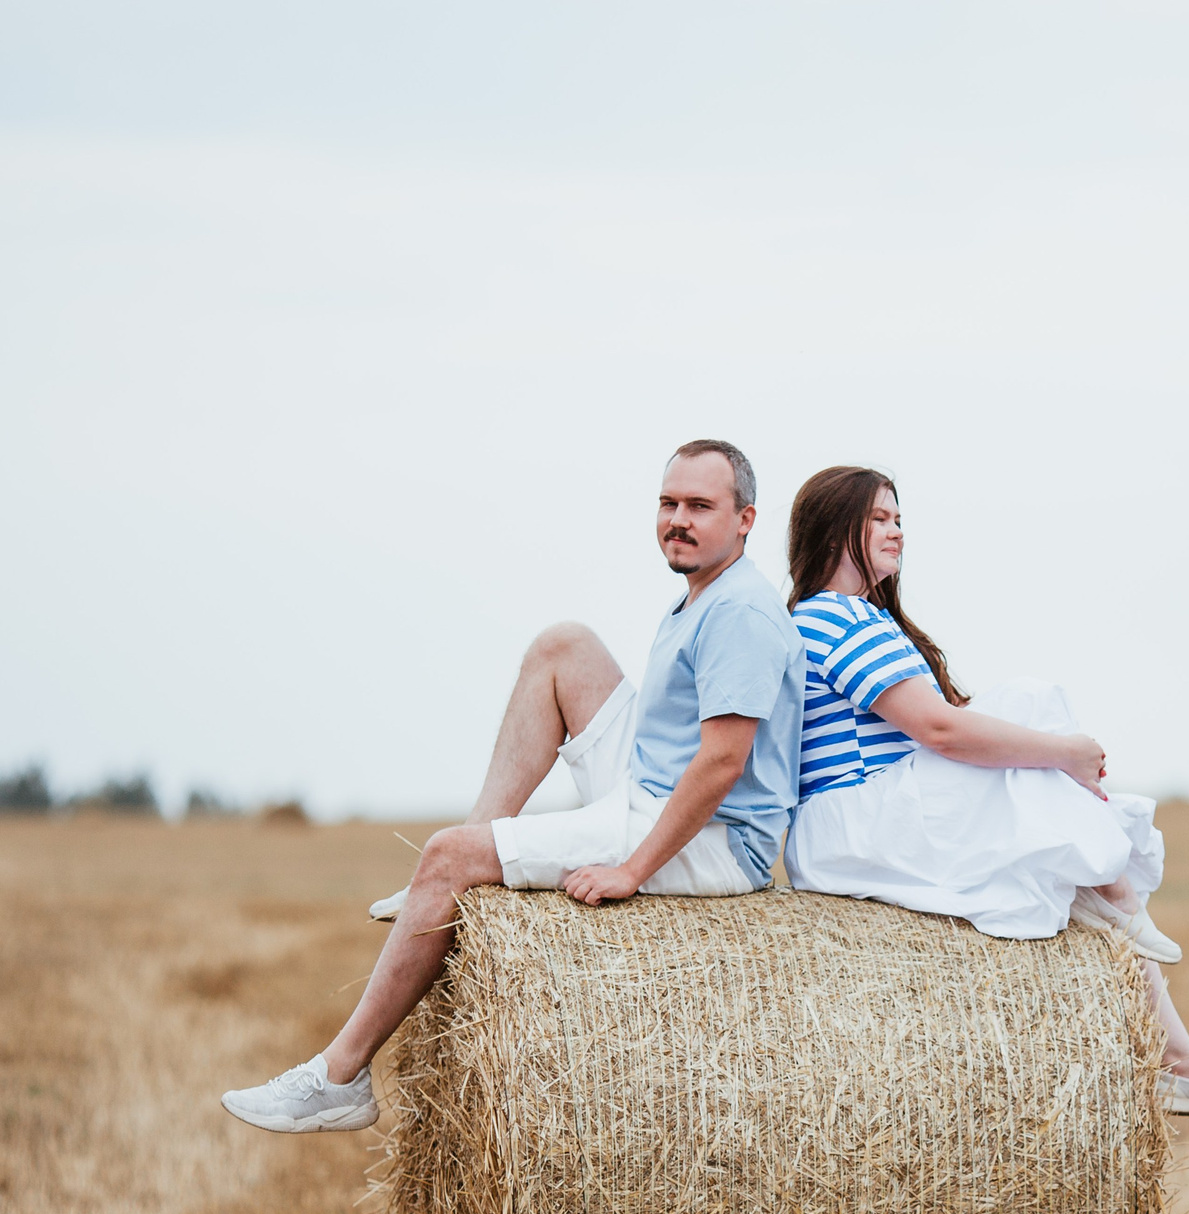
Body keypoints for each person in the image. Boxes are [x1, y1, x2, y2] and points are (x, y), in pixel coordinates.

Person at [220, 439, 805, 1133]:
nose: (677, 519)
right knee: (563, 646)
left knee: (447, 856)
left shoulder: (741, 612)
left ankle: (338, 1077)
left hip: (712, 834)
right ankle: (449, 874)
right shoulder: (705, 594)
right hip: (654, 780)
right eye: (668, 503)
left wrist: (631, 869)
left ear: (745, 519)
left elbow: (722, 764)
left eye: (700, 506)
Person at [780, 465, 1189, 1118]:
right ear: (832, 527)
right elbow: (939, 729)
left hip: (878, 813)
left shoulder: (859, 619)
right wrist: (1068, 754)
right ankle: (1119, 894)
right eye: (879, 517)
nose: (896, 530)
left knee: (1048, 831)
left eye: (900, 518)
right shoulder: (831, 617)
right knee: (1030, 705)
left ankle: (1179, 1055)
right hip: (859, 815)